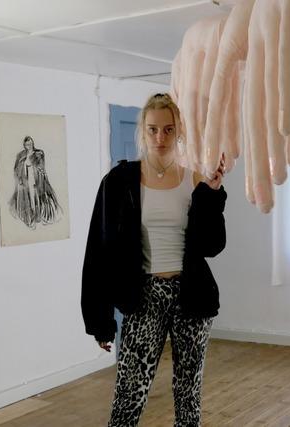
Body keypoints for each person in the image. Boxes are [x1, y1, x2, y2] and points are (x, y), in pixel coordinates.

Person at [81, 93, 227, 427]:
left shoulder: (195, 179)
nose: (160, 137)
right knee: (129, 393)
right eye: (152, 129)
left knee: (188, 394)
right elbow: (98, 252)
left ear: (179, 132)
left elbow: (212, 245)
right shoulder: (119, 182)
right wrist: (100, 320)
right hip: (144, 295)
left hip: (192, 295)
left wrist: (212, 194)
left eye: (168, 129)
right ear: (143, 131)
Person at [9, 135, 61, 229]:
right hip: (25, 181)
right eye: (27, 144)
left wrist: (40, 173)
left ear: (33, 143)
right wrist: (20, 178)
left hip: (36, 179)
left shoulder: (39, 153)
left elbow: (42, 167)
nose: (29, 145)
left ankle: (40, 216)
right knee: (28, 199)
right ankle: (31, 218)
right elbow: (16, 168)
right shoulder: (21, 155)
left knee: (37, 197)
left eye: (30, 143)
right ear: (24, 145)